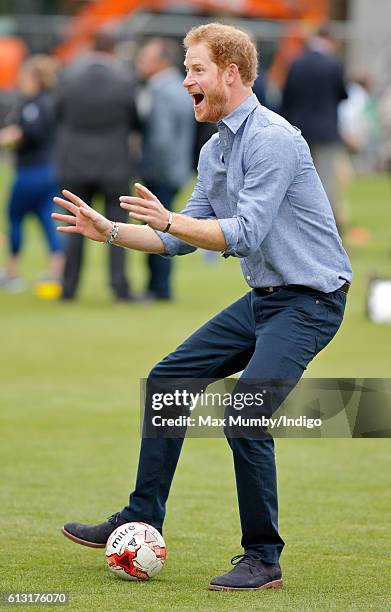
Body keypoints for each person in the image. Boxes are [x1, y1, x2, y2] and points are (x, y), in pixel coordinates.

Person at [54, 23, 352, 591]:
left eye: (195, 70)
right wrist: (111, 231)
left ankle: (263, 558)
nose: (185, 79)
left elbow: (241, 233)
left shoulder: (275, 139)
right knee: (169, 380)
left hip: (310, 302)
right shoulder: (217, 147)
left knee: (245, 412)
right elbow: (178, 238)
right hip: (267, 298)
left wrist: (169, 220)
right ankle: (140, 517)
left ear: (231, 75)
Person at [55, 29, 139, 301]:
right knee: (116, 228)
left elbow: (58, 114)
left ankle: (68, 288)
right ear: (114, 49)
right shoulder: (124, 79)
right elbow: (136, 120)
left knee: (75, 226)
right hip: (114, 163)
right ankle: (119, 288)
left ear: (91, 46)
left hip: (75, 162)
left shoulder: (69, 77)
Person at [136, 38, 194, 300]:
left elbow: (161, 139)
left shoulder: (164, 90)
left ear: (160, 61)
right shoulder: (176, 88)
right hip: (174, 169)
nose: (140, 62)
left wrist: (146, 168)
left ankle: (158, 289)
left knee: (159, 231)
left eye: (145, 57)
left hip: (162, 172)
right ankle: (158, 287)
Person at [0, 54, 63, 292]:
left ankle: (12, 272)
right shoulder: (50, 101)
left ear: (34, 78)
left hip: (31, 171)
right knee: (49, 219)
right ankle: (57, 272)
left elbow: (27, 133)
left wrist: (7, 138)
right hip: (50, 171)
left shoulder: (34, 104)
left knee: (15, 218)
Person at [281, 26, 348, 235]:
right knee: (327, 184)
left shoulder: (296, 63)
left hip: (299, 132)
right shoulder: (334, 64)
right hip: (327, 132)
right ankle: (327, 232)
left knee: (298, 181)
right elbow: (343, 95)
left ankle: (299, 228)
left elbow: (286, 99)